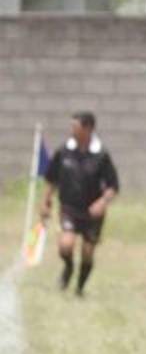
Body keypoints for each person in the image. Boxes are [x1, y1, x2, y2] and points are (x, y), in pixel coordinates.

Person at [39, 111, 119, 297]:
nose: (72, 130)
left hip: (92, 213)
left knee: (87, 252)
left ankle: (80, 288)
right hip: (69, 208)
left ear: (88, 129)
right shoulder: (64, 150)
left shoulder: (101, 155)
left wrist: (102, 202)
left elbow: (113, 186)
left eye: (75, 126)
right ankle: (68, 268)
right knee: (66, 245)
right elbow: (52, 179)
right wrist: (46, 201)